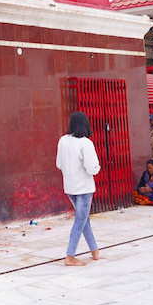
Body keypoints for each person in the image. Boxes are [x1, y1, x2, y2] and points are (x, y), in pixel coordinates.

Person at [56, 111, 101, 266]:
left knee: (83, 219)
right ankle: (70, 256)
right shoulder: (85, 143)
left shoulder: (63, 140)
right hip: (84, 188)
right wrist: (97, 167)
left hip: (70, 187)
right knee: (80, 220)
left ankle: (94, 250)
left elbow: (59, 164)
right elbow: (92, 168)